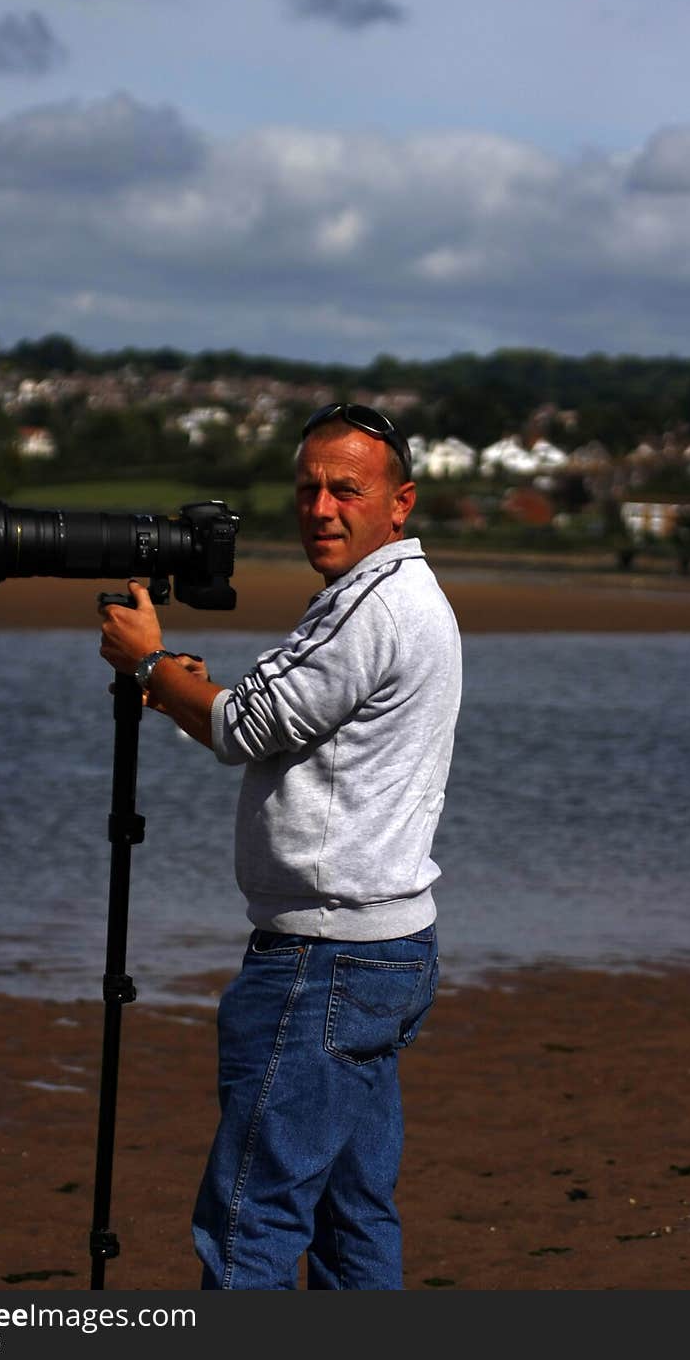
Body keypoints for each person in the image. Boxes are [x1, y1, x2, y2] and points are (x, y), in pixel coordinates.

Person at [99, 402, 462, 1289]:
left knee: (249, 1216)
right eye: (308, 490)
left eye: (348, 490)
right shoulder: (398, 598)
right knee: (351, 1213)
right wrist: (181, 689)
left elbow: (245, 725)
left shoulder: (372, 607)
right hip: (384, 949)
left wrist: (150, 666)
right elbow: (273, 726)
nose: (323, 509)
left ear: (400, 502)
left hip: (325, 960)